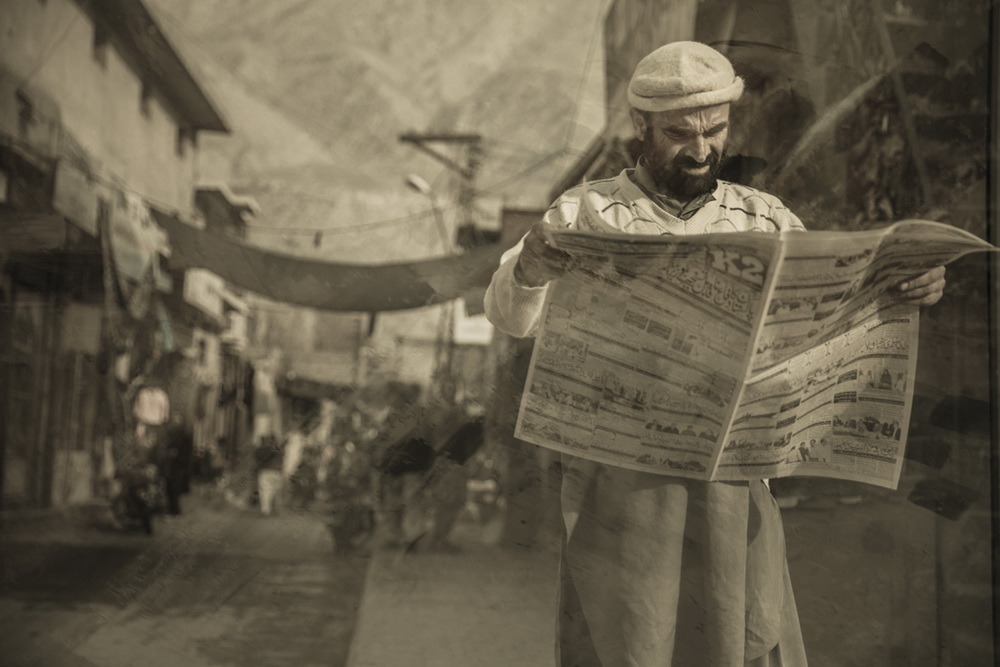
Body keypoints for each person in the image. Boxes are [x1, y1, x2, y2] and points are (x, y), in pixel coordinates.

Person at [484, 41, 946, 667]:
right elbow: (510, 319)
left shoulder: (766, 220)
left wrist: (903, 288)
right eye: (679, 133)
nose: (701, 149)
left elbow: (829, 323)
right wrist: (531, 270)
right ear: (641, 129)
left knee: (739, 642)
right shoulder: (585, 212)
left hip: (731, 488)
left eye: (715, 130)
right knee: (626, 645)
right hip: (620, 493)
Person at [254, 433, 285, 516]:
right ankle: (276, 508)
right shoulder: (280, 450)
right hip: (276, 472)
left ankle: (266, 510)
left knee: (264, 491)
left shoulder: (260, 449)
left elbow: (256, 459)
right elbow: (282, 461)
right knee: (275, 491)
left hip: (264, 471)